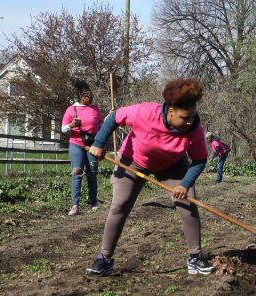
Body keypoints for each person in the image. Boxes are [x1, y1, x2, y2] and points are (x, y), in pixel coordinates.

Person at [85, 78, 214, 276]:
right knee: (120, 205)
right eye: (184, 118)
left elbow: (199, 161)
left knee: (188, 205)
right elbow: (115, 117)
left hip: (172, 165)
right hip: (134, 160)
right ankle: (104, 258)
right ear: (171, 110)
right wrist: (99, 142)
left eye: (192, 117)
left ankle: (195, 257)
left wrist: (185, 184)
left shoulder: (194, 130)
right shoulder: (145, 112)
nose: (189, 122)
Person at [61, 80, 103, 216]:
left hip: (92, 145)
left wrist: (101, 142)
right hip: (76, 144)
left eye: (92, 98)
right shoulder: (71, 109)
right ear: (81, 96)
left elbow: (102, 126)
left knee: (92, 174)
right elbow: (63, 129)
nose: (90, 99)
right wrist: (71, 125)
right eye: (88, 97)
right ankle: (75, 205)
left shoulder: (95, 109)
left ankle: (94, 203)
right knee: (77, 172)